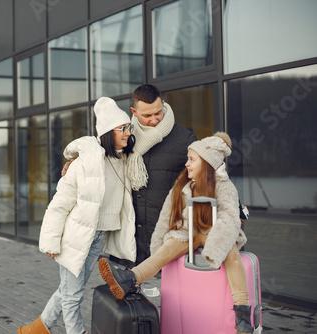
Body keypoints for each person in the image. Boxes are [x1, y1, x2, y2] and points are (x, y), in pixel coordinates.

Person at [98, 132, 254, 334]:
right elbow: (166, 214)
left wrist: (216, 246)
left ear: (207, 163)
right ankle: (129, 279)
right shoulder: (183, 184)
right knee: (167, 248)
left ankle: (242, 315)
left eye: (192, 160)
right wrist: (159, 244)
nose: (187, 164)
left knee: (232, 255)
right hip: (189, 232)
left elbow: (231, 218)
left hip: (216, 232)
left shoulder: (224, 186)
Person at [18, 97, 146, 334]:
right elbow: (59, 205)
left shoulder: (125, 159)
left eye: (129, 128)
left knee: (69, 289)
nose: (128, 132)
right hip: (76, 237)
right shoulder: (84, 164)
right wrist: (50, 241)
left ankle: (38, 329)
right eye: (123, 128)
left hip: (98, 238)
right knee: (73, 294)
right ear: (108, 131)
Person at [128, 84, 197, 265]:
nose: (155, 119)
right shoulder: (125, 138)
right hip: (129, 243)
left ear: (163, 104)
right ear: (134, 112)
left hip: (166, 237)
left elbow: (209, 173)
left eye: (158, 113)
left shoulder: (184, 138)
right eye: (147, 116)